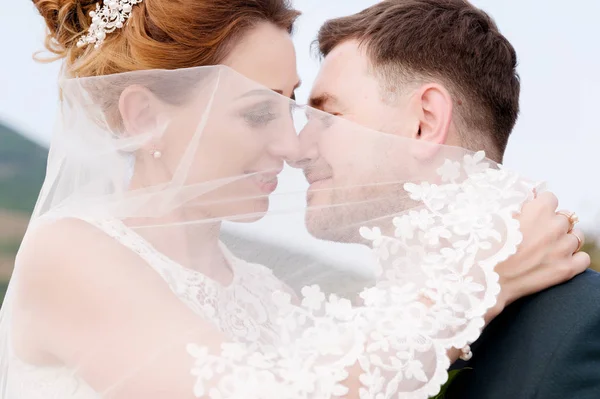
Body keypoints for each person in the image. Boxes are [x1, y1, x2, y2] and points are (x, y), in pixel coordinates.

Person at [0, 1, 589, 398]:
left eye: (294, 106)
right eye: (259, 112)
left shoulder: (269, 294)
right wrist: (479, 281)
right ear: (146, 117)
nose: (290, 143)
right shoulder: (72, 252)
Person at [298, 0, 600, 397]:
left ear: (426, 121)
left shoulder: (584, 322)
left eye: (327, 117)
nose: (298, 148)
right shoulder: (354, 335)